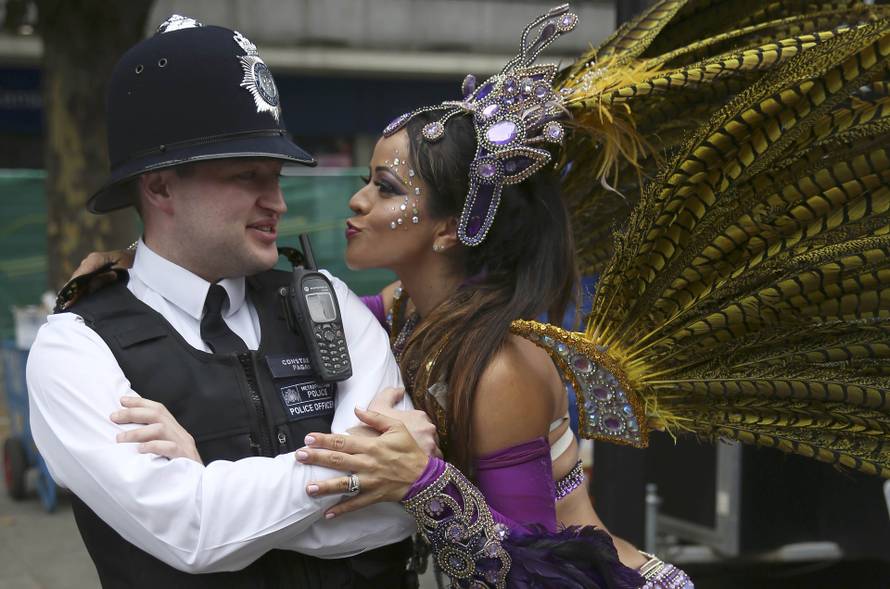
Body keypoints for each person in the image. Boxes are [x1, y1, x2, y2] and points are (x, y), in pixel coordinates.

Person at [27, 15, 438, 588]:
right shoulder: (76, 346)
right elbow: (192, 533)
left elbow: (393, 518)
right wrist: (359, 474)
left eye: (276, 177)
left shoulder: (328, 303)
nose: (277, 203)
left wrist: (211, 482)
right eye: (248, 176)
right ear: (161, 186)